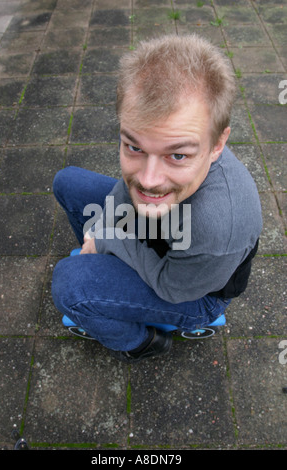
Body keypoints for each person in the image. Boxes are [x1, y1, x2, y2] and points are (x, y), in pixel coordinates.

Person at [51, 34, 262, 363]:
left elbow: (172, 287)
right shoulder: (161, 134)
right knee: (68, 182)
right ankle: (105, 270)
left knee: (69, 286)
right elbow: (126, 188)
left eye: (177, 155)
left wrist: (107, 236)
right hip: (167, 236)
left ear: (218, 144)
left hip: (193, 292)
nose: (148, 179)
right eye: (134, 147)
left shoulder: (217, 225)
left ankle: (140, 343)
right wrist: (101, 231)